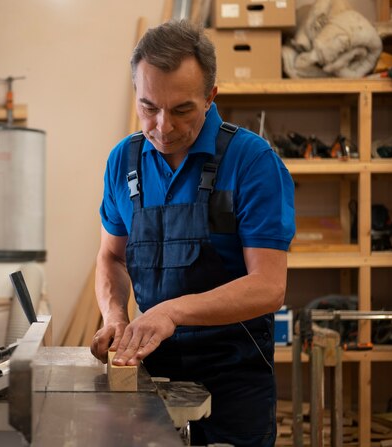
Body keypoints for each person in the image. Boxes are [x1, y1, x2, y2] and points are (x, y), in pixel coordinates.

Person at [90, 19, 295, 446]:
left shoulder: (252, 162)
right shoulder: (122, 162)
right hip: (152, 372)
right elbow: (112, 256)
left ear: (210, 98)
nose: (162, 126)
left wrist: (171, 311)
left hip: (233, 381)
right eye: (149, 107)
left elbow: (268, 286)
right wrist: (115, 315)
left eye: (182, 109)